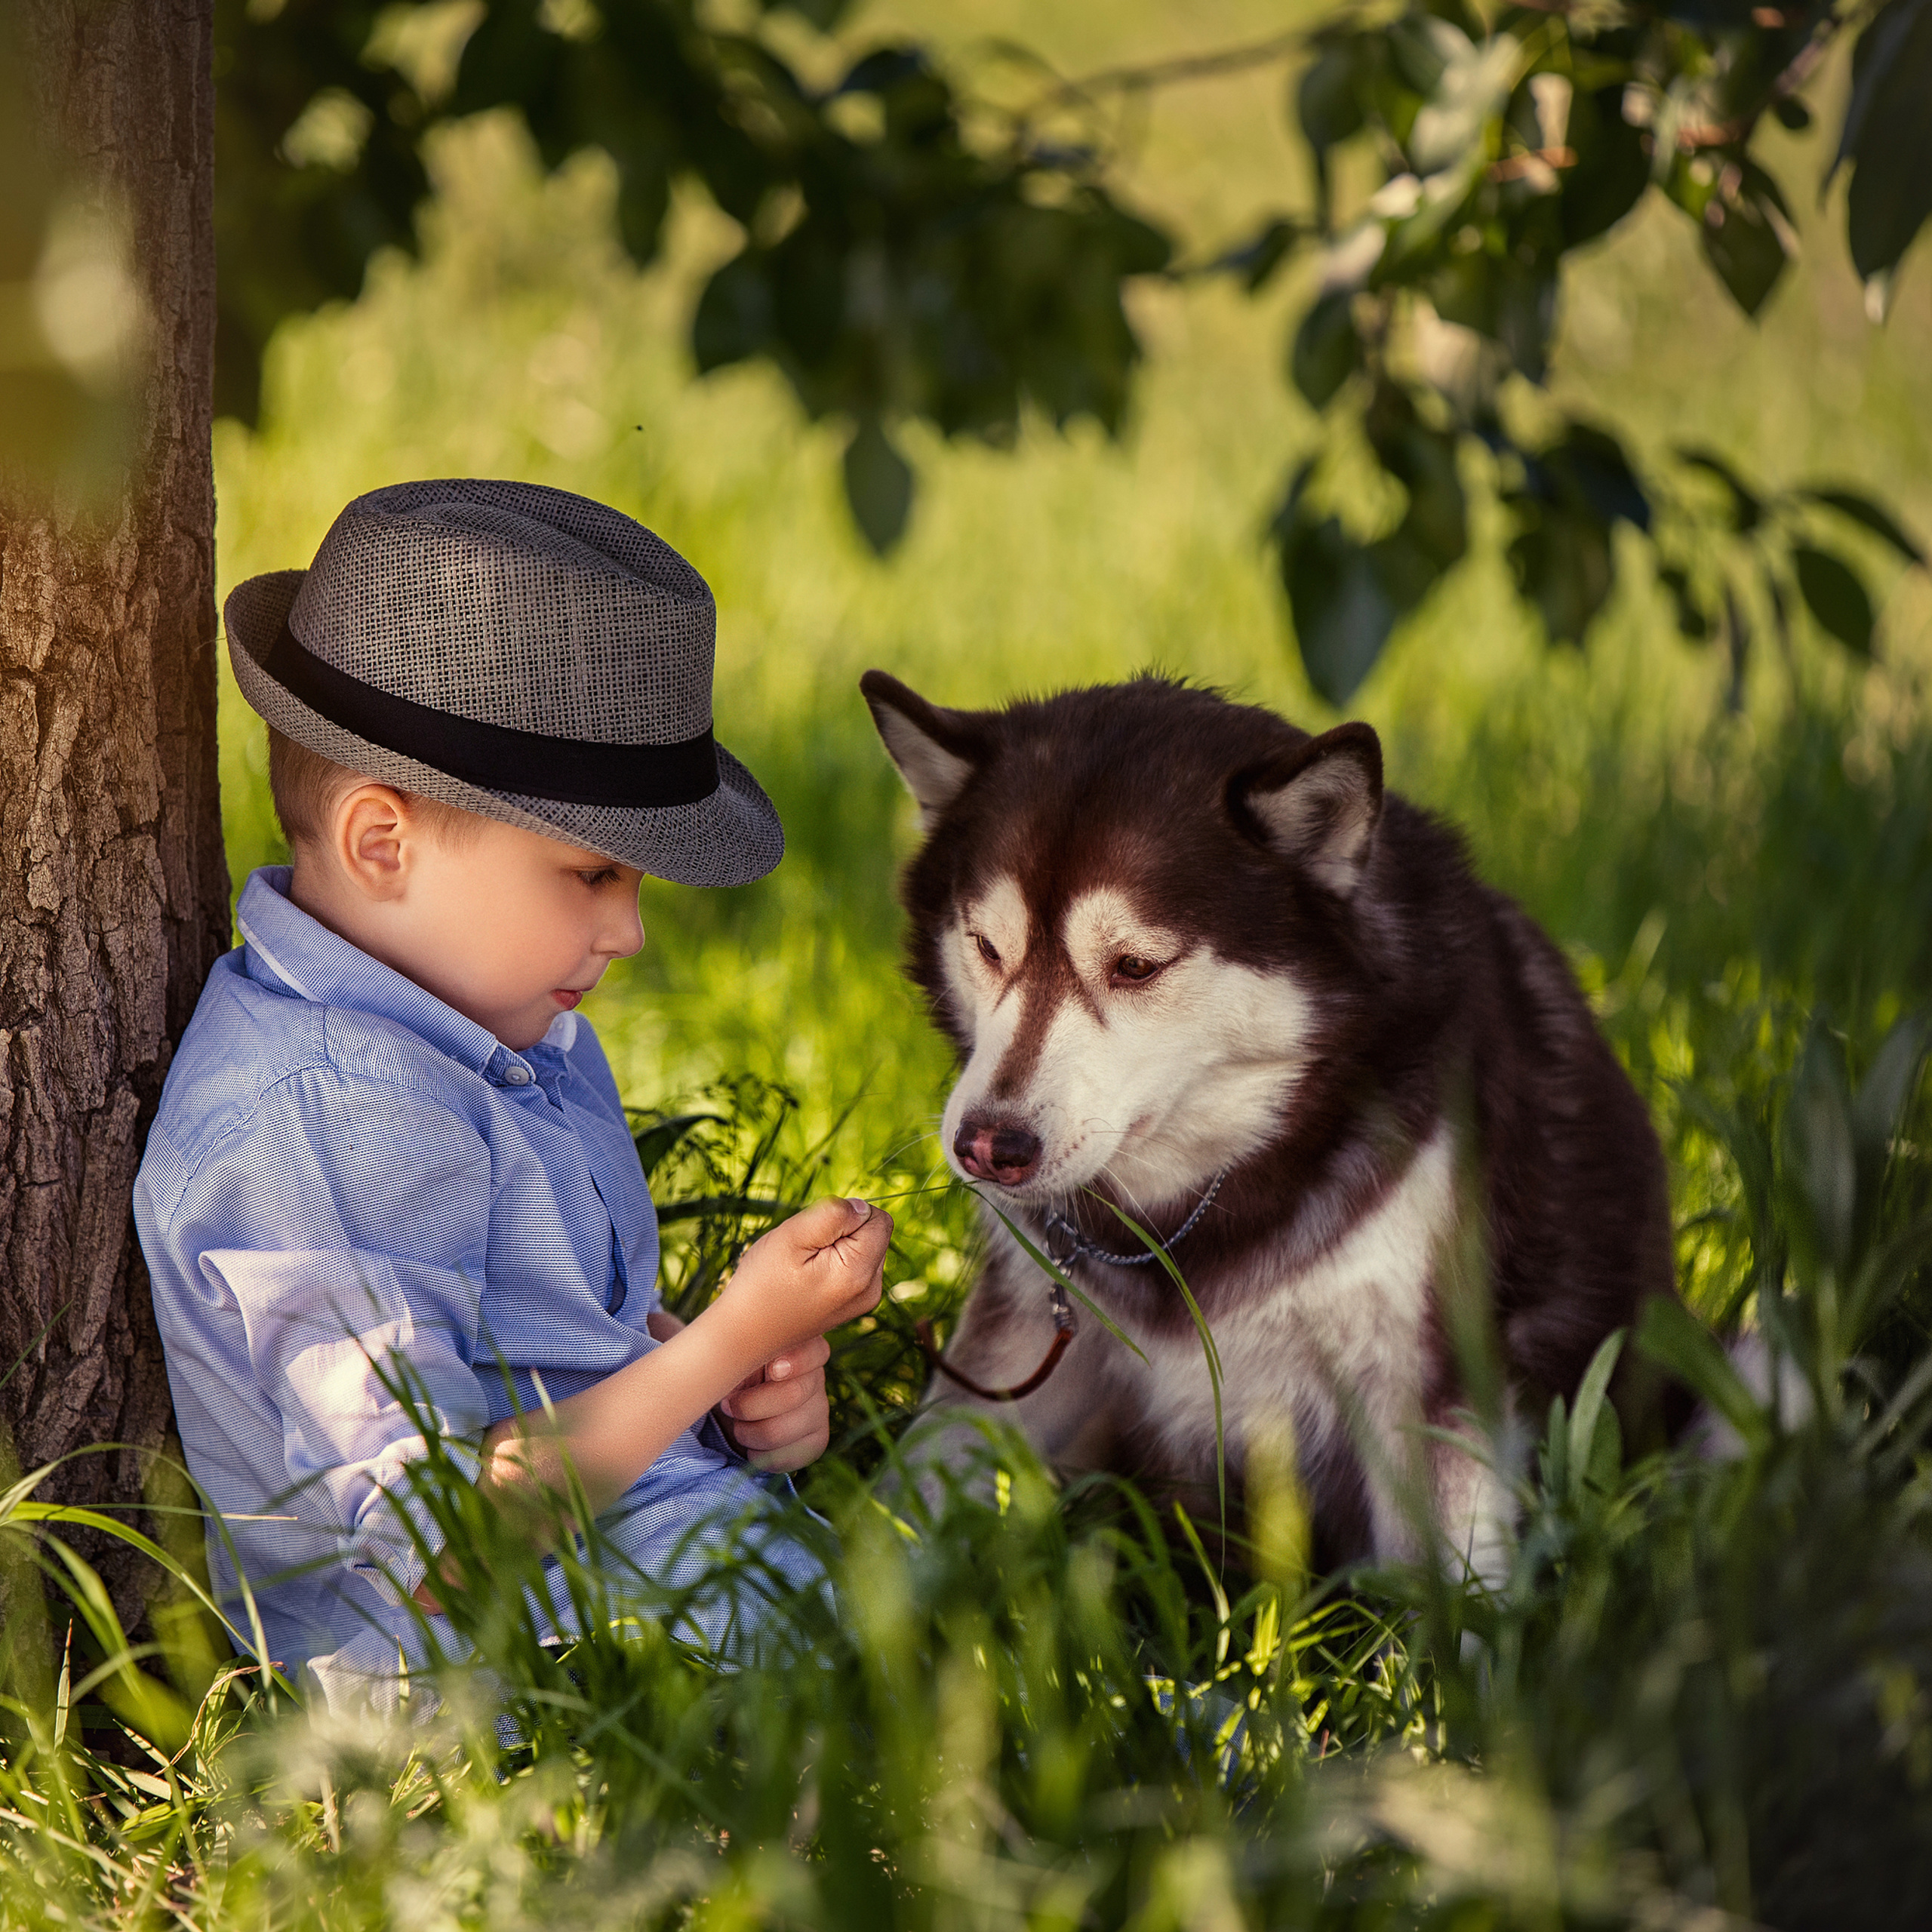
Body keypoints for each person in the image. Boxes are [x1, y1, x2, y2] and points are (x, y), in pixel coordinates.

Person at [133, 480, 891, 1710]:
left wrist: (730, 1389)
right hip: (537, 1699)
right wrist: (726, 1341)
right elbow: (440, 1543)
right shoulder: (324, 1120)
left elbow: (547, 1350)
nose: (632, 931)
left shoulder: (503, 1031)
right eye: (591, 874)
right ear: (385, 845)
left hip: (658, 1593)